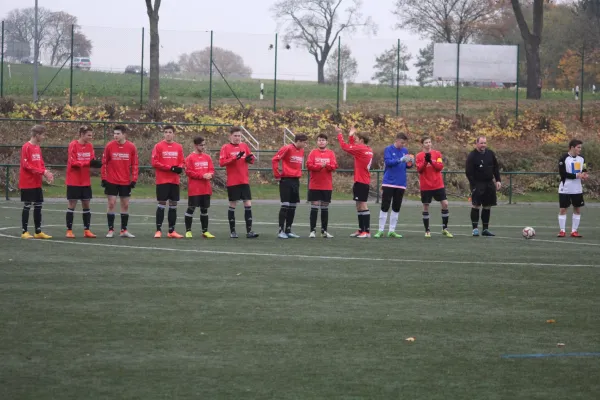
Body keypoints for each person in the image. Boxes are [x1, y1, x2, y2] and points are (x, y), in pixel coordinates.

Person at [219, 126, 259, 239]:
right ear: (230, 136)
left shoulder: (244, 146)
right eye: (235, 135)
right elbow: (222, 163)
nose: (237, 138)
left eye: (239, 136)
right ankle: (233, 232)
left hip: (244, 180)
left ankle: (249, 231)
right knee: (233, 204)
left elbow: (251, 159)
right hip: (233, 181)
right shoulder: (225, 147)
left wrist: (250, 159)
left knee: (248, 204)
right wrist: (234, 158)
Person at [101, 125, 139, 238]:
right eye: (114, 133)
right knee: (111, 204)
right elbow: (104, 163)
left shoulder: (131, 147)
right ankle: (110, 230)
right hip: (111, 180)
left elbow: (135, 164)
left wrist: (134, 179)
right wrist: (104, 178)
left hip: (125, 181)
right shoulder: (109, 146)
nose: (115, 136)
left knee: (125, 205)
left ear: (124, 134)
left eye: (118, 133)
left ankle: (124, 230)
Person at [336, 126, 374, 238]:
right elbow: (354, 147)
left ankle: (366, 231)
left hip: (362, 181)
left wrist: (340, 134)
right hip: (361, 180)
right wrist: (351, 136)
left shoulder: (361, 149)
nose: (355, 140)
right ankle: (361, 229)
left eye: (357, 138)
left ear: (362, 140)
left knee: (362, 204)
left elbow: (345, 147)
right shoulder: (367, 149)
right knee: (358, 205)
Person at [65, 125, 102, 238]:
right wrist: (87, 163)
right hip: (73, 180)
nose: (91, 137)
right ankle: (69, 230)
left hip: (85, 181)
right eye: (89, 135)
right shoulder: (73, 145)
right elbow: (73, 163)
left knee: (86, 203)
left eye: (91, 135)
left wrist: (96, 164)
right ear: (81, 134)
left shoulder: (90, 146)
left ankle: (87, 230)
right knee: (72, 204)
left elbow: (91, 160)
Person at [374, 133, 412, 238]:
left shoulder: (405, 151)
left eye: (404, 143)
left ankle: (392, 230)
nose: (403, 145)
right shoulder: (388, 149)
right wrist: (400, 160)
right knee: (385, 205)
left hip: (401, 183)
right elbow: (388, 162)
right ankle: (380, 230)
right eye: (402, 142)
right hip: (389, 182)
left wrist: (410, 163)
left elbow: (407, 166)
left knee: (396, 206)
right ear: (396, 140)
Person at [19, 125, 54, 239]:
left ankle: (38, 231)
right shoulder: (26, 147)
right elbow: (26, 165)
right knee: (27, 205)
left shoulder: (38, 148)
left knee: (38, 205)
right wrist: (42, 172)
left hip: (37, 182)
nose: (43, 137)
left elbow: (40, 163)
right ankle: (24, 232)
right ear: (37, 135)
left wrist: (46, 173)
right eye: (43, 135)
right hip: (27, 182)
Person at [415, 136, 453, 238]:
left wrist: (431, 161)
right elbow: (419, 170)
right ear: (422, 144)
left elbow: (439, 167)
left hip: (438, 184)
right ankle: (427, 230)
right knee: (426, 207)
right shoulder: (419, 156)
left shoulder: (437, 154)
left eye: (429, 142)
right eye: (426, 142)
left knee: (445, 204)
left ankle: (445, 229)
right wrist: (425, 161)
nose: (428, 144)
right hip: (426, 186)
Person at [151, 124, 185, 238]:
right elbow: (155, 162)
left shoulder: (179, 147)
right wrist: (170, 168)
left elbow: (182, 161)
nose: (168, 134)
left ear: (173, 134)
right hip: (162, 180)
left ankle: (171, 231)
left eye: (170, 132)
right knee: (161, 203)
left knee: (173, 204)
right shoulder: (158, 146)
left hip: (174, 180)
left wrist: (179, 167)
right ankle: (158, 230)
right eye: (166, 132)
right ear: (163, 133)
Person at [272, 133, 308, 238]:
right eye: (304, 142)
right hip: (286, 180)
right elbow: (275, 159)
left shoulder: (301, 151)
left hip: (296, 180)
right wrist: (277, 174)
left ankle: (288, 230)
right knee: (285, 205)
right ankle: (281, 231)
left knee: (293, 206)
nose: (306, 144)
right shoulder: (287, 148)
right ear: (299, 141)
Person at [465, 136, 501, 236]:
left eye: (485, 143)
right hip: (477, 183)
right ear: (476, 143)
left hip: (489, 183)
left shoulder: (490, 154)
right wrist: (473, 184)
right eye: (481, 143)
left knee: (487, 206)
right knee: (476, 205)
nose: (483, 145)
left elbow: (496, 168)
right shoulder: (472, 156)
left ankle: (485, 229)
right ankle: (475, 229)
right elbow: (468, 172)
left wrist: (498, 180)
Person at [306, 133, 338, 238]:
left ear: (326, 142)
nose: (321, 142)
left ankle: (324, 231)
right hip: (315, 185)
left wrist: (327, 165)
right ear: (317, 142)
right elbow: (309, 165)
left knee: (325, 208)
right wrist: (320, 166)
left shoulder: (331, 153)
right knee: (314, 206)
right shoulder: (313, 153)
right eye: (319, 140)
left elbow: (334, 166)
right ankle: (312, 231)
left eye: (323, 140)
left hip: (326, 185)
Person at [184, 136, 215, 238]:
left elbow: (211, 169)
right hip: (195, 189)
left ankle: (205, 231)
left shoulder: (207, 157)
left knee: (204, 210)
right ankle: (188, 231)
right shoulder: (190, 158)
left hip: (206, 189)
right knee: (191, 208)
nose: (203, 147)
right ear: (195, 145)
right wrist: (202, 176)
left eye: (204, 145)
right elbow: (188, 172)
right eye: (201, 145)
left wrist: (210, 174)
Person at [558, 139, 587, 238]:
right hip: (565, 188)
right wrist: (576, 176)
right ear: (572, 147)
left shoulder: (582, 158)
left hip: (577, 189)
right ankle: (562, 231)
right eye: (578, 147)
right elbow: (563, 174)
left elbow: (584, 169)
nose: (580, 149)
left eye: (580, 147)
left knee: (577, 209)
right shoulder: (563, 158)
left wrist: (584, 175)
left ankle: (574, 231)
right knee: (563, 209)